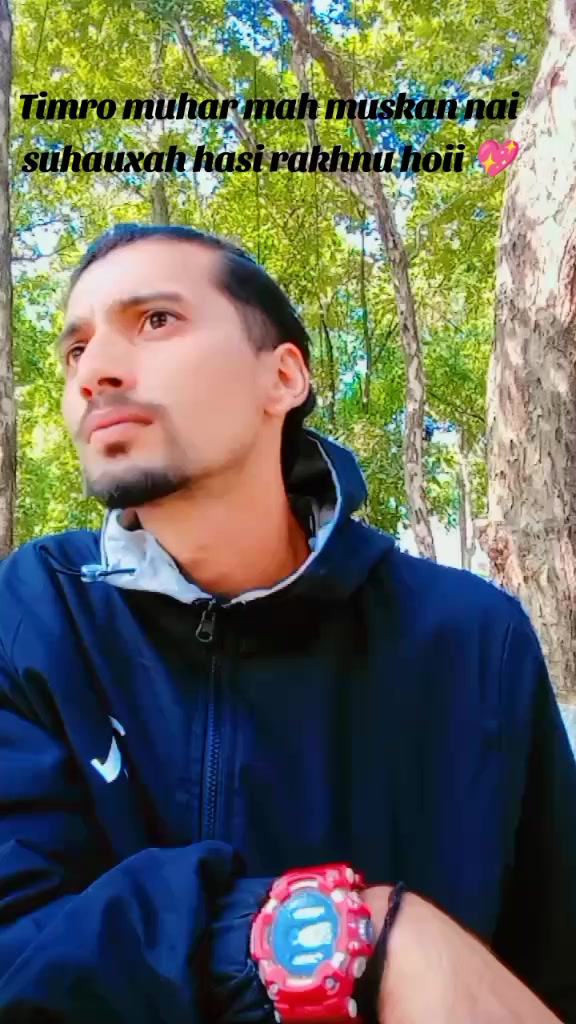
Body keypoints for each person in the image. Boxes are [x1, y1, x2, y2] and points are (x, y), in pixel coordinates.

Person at [0, 222, 574, 1024]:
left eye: (156, 320)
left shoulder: (473, 641)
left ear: (283, 377)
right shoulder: (36, 613)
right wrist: (345, 937)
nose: (94, 371)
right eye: (75, 350)